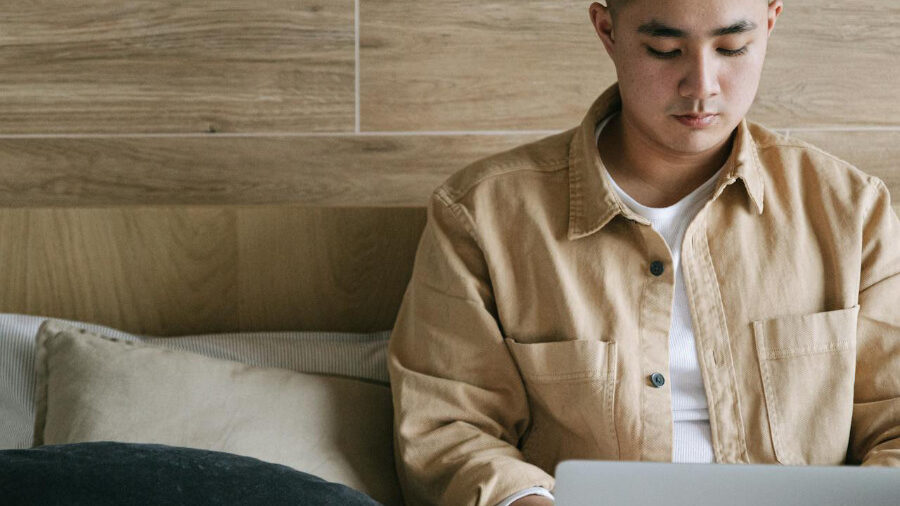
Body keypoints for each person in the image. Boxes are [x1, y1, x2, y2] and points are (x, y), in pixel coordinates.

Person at [387, 0, 900, 504]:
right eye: (664, 49)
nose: (702, 85)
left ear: (769, 23)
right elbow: (447, 427)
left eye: (732, 46)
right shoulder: (482, 216)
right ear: (607, 31)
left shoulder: (851, 211)